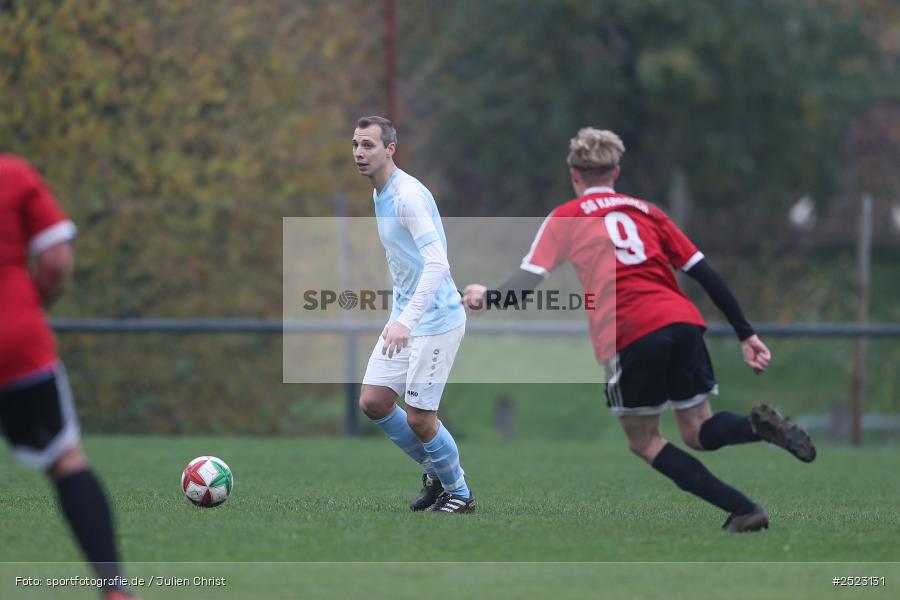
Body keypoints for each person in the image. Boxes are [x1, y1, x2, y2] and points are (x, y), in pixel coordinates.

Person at [462, 128, 815, 532]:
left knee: (644, 441)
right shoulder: (649, 212)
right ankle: (757, 428)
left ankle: (745, 509)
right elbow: (707, 274)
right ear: (616, 172)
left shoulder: (567, 216)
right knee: (699, 429)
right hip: (682, 320)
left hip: (630, 330)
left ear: (574, 175)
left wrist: (486, 297)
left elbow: (526, 284)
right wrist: (745, 333)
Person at [0, 154, 138, 599]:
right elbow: (57, 261)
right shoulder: (13, 175)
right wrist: (27, 305)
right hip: (14, 342)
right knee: (64, 461)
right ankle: (114, 589)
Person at [351, 116, 474, 513]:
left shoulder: (407, 196)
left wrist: (406, 320)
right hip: (406, 318)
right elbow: (404, 262)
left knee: (422, 419)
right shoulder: (380, 192)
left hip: (435, 321)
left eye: (368, 145)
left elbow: (437, 263)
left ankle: (460, 494)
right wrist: (398, 315)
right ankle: (436, 471)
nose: (359, 152)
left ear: (390, 149)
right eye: (355, 144)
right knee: (374, 401)